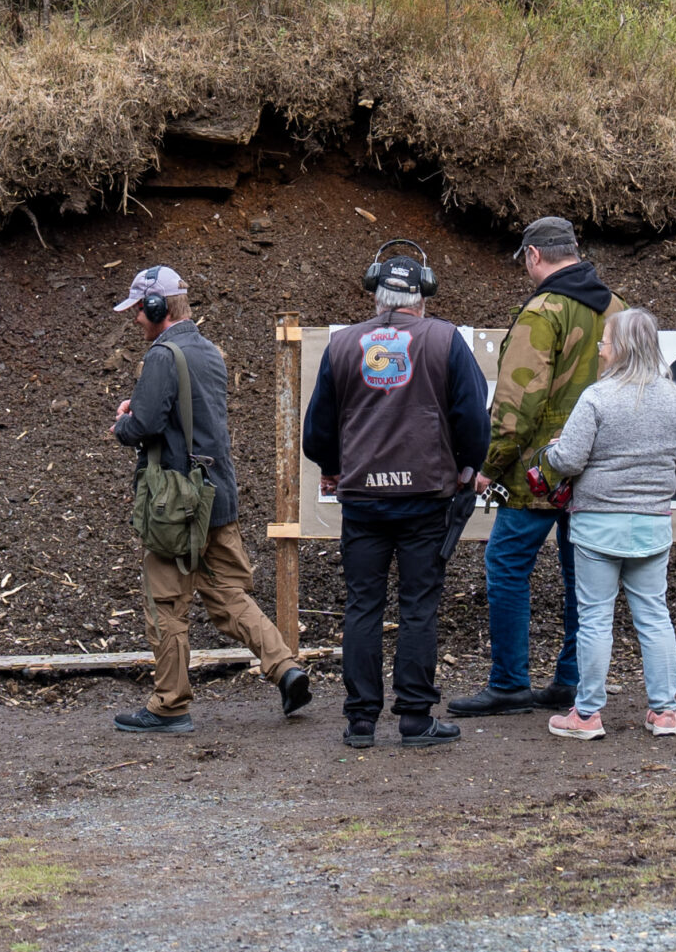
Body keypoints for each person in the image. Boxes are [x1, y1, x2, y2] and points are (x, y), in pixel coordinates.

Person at [108, 266, 312, 735]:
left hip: (176, 505)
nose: (136, 319)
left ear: (157, 308)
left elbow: (144, 427)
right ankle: (285, 667)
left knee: (166, 604)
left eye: (139, 310)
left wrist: (124, 422)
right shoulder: (209, 351)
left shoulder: (162, 355)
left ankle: (169, 704)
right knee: (226, 596)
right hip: (215, 498)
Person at [302, 247, 489, 749]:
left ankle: (361, 720)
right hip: (427, 497)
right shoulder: (446, 340)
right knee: (418, 607)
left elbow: (317, 428)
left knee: (362, 605)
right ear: (423, 294)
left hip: (362, 498)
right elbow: (473, 416)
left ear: (373, 290)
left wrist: (333, 469)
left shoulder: (342, 344)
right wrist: (469, 465)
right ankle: (414, 718)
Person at [467, 216, 624, 717]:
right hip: (599, 475)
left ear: (534, 255)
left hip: (539, 475)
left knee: (506, 566)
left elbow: (517, 404)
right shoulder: (617, 310)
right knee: (586, 579)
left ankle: (510, 682)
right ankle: (572, 681)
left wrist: (489, 464)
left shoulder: (544, 311)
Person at [537, 307, 676, 741]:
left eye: (605, 341)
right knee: (654, 616)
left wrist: (551, 454)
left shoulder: (596, 397)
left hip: (596, 525)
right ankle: (664, 712)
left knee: (594, 619)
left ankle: (587, 715)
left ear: (621, 348)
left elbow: (570, 459)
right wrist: (655, 490)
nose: (601, 349)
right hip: (652, 524)